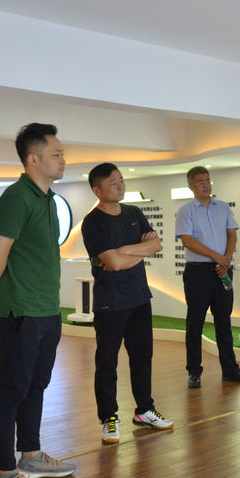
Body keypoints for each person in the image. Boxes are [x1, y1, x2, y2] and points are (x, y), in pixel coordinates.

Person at [0, 124, 75, 478]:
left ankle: (31, 456)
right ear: (33, 159)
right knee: (12, 390)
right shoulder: (15, 200)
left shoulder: (47, 199)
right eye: (56, 154)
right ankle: (6, 470)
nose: (63, 160)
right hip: (20, 311)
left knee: (36, 386)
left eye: (62, 153)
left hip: (47, 310)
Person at [80, 163, 174, 446]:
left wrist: (122, 252)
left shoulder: (134, 213)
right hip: (110, 302)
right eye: (113, 182)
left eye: (121, 180)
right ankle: (109, 418)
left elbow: (156, 245)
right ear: (97, 190)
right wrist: (130, 254)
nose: (120, 185)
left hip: (139, 298)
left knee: (142, 358)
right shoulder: (93, 222)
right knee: (107, 363)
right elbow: (115, 263)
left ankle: (144, 410)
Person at [175, 165, 240, 388]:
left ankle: (230, 369)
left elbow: (232, 235)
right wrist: (217, 257)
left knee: (224, 322)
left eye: (208, 180)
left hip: (222, 270)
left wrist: (225, 259)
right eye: (200, 182)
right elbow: (188, 241)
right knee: (195, 322)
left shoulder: (223, 207)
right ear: (191, 186)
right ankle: (194, 371)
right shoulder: (186, 211)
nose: (206, 185)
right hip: (198, 273)